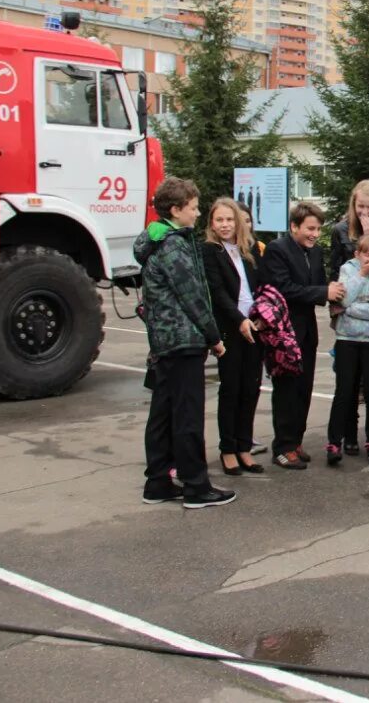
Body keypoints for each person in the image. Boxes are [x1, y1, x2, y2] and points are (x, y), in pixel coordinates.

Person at [133, 177, 232, 509]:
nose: (197, 212)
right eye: (192, 207)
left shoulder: (161, 240)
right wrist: (214, 336)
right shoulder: (174, 246)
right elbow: (192, 296)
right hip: (182, 340)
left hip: (163, 341)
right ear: (175, 210)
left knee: (163, 413)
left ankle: (158, 481)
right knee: (188, 414)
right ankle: (195, 485)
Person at [259, 201, 344, 470]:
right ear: (294, 226)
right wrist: (322, 293)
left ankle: (295, 441)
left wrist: (333, 293)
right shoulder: (277, 250)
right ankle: (282, 447)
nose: (314, 234)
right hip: (284, 333)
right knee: (286, 391)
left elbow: (317, 284)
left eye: (318, 229)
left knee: (304, 389)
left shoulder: (315, 252)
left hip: (307, 332)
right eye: (310, 228)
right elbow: (283, 288)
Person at [201, 198, 266, 477]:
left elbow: (261, 285)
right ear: (212, 223)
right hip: (230, 328)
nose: (225, 225)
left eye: (229, 220)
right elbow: (218, 294)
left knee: (251, 389)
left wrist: (261, 314)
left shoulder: (250, 248)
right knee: (231, 390)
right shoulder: (209, 250)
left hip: (255, 326)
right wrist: (240, 321)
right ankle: (228, 450)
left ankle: (244, 447)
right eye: (220, 220)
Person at [327, 235, 369, 467]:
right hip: (347, 338)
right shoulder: (348, 270)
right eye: (367, 254)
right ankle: (336, 441)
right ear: (357, 254)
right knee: (345, 389)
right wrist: (362, 277)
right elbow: (342, 301)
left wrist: (353, 305)